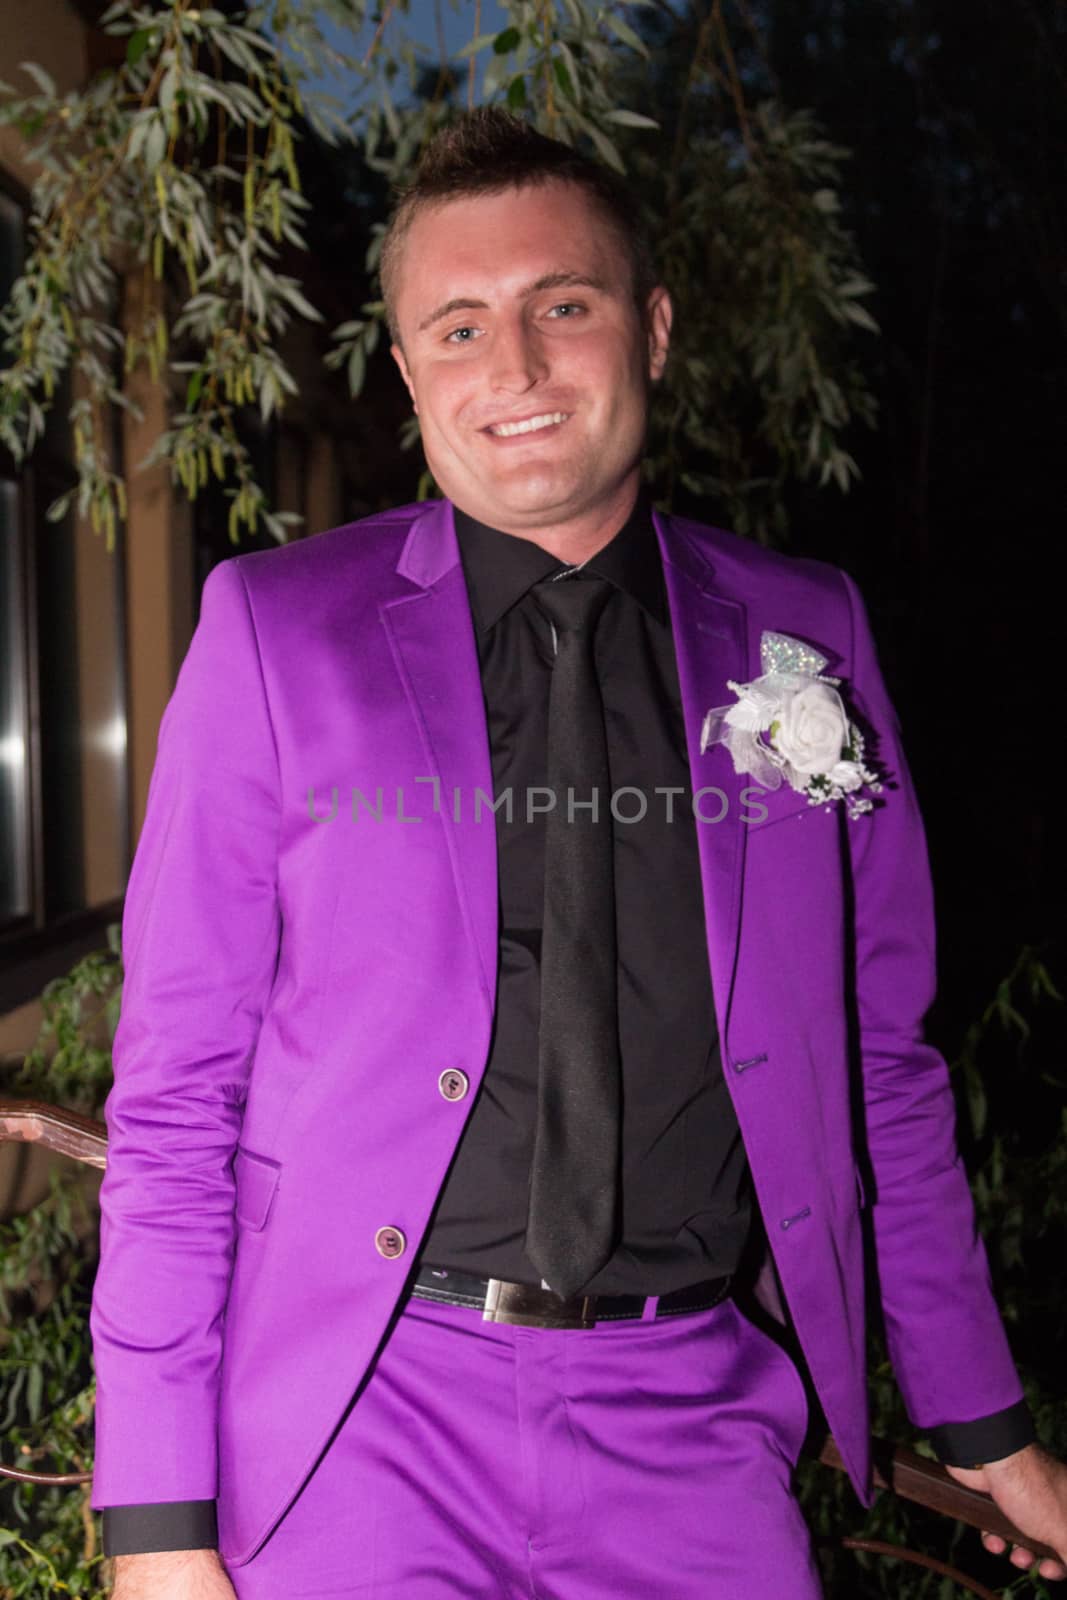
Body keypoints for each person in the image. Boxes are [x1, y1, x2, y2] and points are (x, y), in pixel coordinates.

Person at [90, 109, 1067, 1599]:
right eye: (461, 326)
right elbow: (173, 1100)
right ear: (408, 370)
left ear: (653, 329)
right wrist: (155, 1522)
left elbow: (883, 1066)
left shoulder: (811, 634)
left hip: (694, 1419)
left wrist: (988, 1427)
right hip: (363, 1416)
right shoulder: (275, 636)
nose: (519, 369)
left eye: (565, 307)